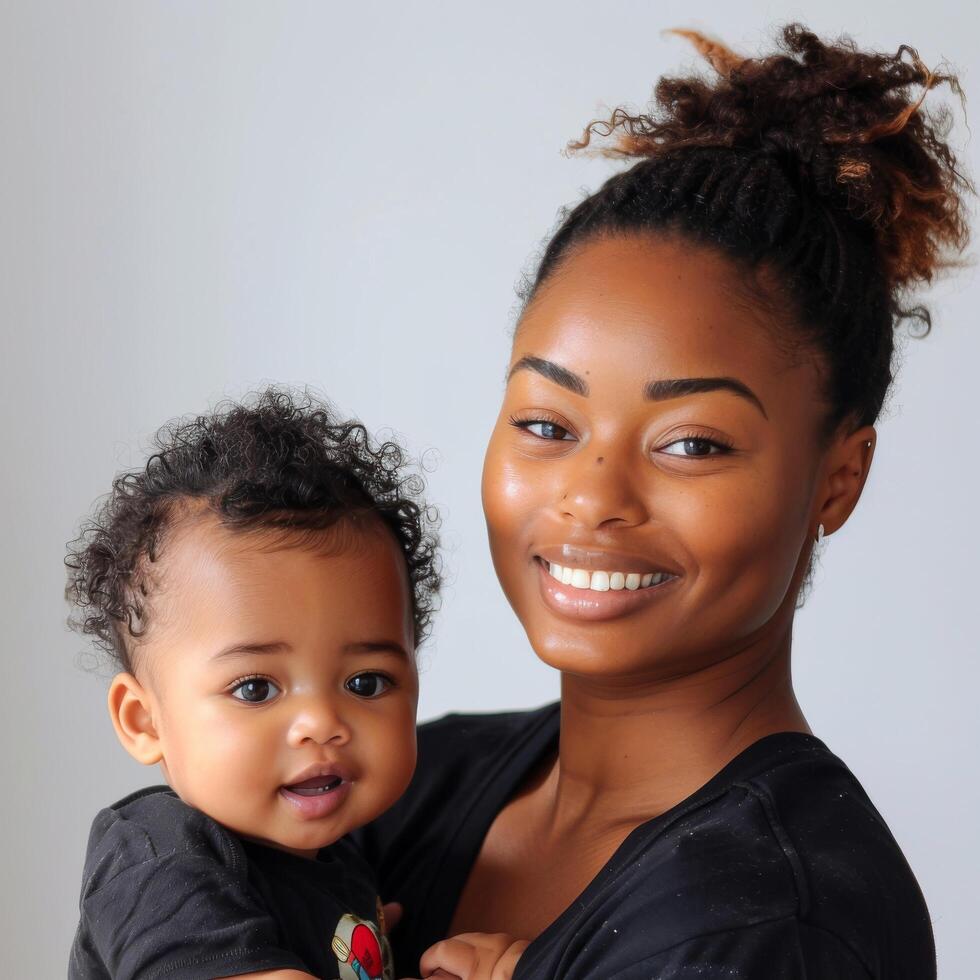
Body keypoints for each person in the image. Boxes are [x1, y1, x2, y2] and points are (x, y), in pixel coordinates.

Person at [355, 24, 972, 980]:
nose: (592, 498)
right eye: (548, 424)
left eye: (691, 444)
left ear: (837, 480)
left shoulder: (777, 925)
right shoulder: (401, 782)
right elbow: (150, 864)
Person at [66, 389, 444, 980]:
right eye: (255, 689)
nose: (322, 721)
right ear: (144, 721)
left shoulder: (341, 866)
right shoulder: (160, 858)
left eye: (366, 682)